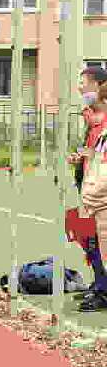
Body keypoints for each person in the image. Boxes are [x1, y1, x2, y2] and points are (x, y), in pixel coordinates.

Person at [71, 98, 107, 312]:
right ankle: (99, 286)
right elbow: (95, 156)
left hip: (99, 195)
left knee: (99, 243)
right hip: (90, 191)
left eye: (85, 111)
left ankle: (102, 291)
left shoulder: (103, 131)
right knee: (89, 240)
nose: (83, 116)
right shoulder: (94, 132)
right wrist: (81, 157)